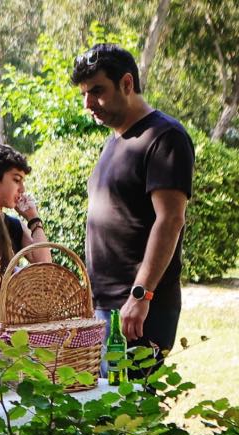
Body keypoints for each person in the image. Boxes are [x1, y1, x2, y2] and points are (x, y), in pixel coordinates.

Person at [71, 44, 194, 370]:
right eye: (84, 94)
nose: (88, 104)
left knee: (130, 414)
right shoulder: (114, 141)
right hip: (106, 306)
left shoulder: (164, 137)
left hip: (138, 307)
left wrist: (141, 296)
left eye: (97, 91)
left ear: (127, 83)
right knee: (104, 412)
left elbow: (170, 220)